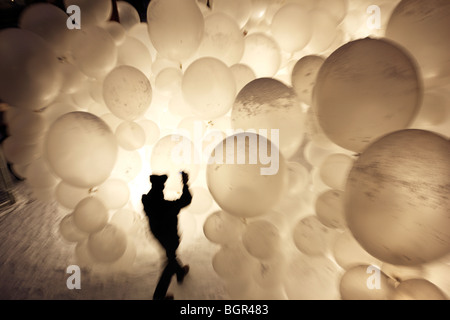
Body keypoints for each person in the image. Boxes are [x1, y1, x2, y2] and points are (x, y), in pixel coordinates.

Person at [141, 171, 192, 300]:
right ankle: (158, 297)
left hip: (158, 234)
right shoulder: (165, 206)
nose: (163, 189)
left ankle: (180, 273)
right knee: (169, 264)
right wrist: (185, 183)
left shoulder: (148, 201)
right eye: (162, 186)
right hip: (169, 236)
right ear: (161, 188)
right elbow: (186, 200)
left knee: (171, 256)